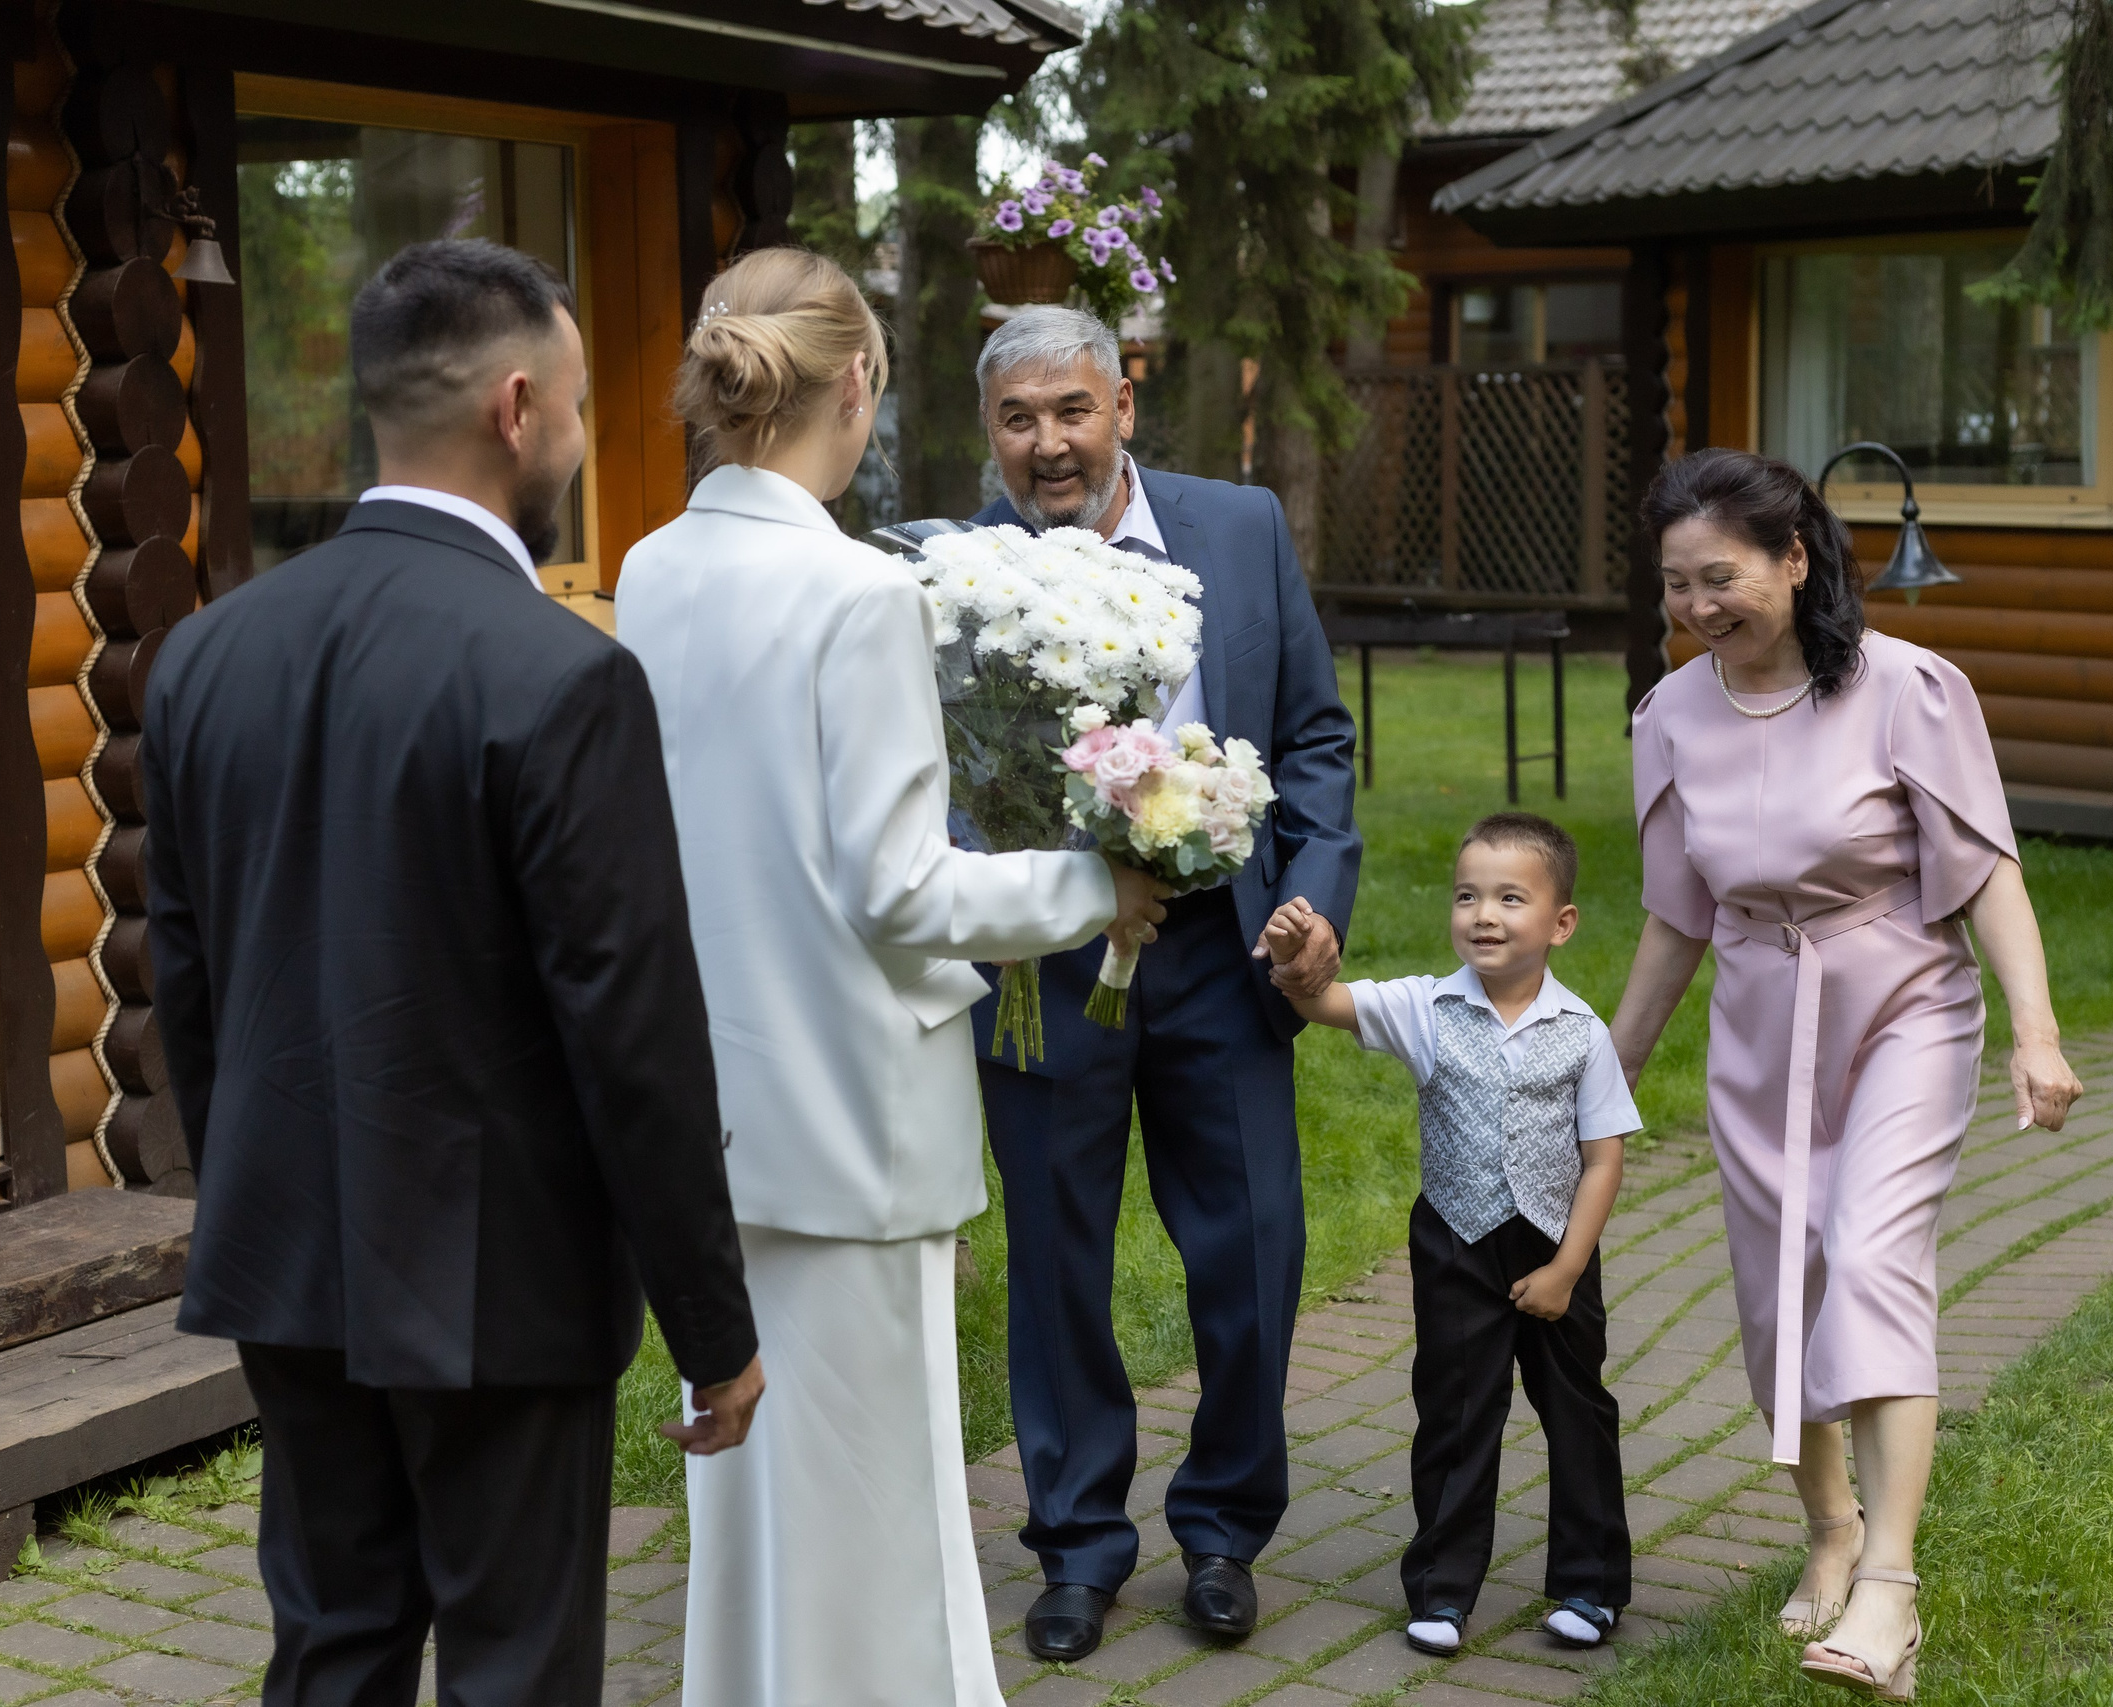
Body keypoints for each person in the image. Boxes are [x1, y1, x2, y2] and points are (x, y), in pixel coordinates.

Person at [142, 239, 763, 1707]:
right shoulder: (562, 674)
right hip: (502, 1281)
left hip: (286, 1243)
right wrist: (714, 1325)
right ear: (516, 404)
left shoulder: (204, 656)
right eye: (583, 403)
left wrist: (251, 1180)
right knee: (515, 1661)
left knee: (335, 1637)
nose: (584, 433)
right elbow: (633, 1030)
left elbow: (188, 978)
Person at [615, 249, 1167, 1707]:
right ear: (856, 382)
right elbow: (902, 886)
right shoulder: (860, 593)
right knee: (877, 1509)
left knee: (749, 1514)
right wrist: (1090, 884)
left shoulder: (653, 565)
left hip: (713, 1104)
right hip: (853, 1109)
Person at [1607, 448, 2083, 1701]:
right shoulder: (1667, 718)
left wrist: (2034, 1033)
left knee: (1869, 1257)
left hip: (1902, 1003)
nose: (1700, 606)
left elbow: (1984, 872)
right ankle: (1828, 1530)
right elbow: (1674, 916)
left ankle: (1890, 1591)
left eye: (1722, 577)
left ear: (1794, 559)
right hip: (1760, 1019)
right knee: (1779, 1291)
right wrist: (1612, 1068)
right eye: (1676, 585)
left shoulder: (1906, 689)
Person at [964, 306, 1361, 1662]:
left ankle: (1227, 1528)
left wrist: (1315, 907)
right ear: (992, 433)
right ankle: (1076, 1542)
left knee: (1251, 1248)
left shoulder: (1238, 525)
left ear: (1121, 401)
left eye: (1070, 409)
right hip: (1047, 966)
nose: (1048, 443)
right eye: (1018, 419)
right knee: (1059, 1260)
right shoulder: (957, 569)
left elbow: (1312, 734)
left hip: (1220, 951)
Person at [1261, 813, 1638, 1660]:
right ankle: (1440, 1586)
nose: (1485, 914)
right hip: (1455, 1244)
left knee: (1577, 1412)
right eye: (1468, 896)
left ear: (1561, 922)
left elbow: (1604, 1158)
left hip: (1556, 1246)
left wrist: (1567, 1269)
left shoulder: (1583, 1032)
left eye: (1511, 897)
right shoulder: (1427, 1007)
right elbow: (1325, 1001)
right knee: (1457, 1412)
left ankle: (1590, 1581)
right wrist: (1293, 960)